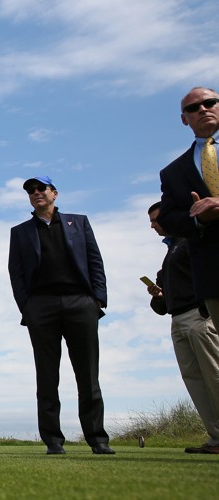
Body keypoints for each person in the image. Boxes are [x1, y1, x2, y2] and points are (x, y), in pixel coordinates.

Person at [7, 176, 114, 455]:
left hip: (81, 304)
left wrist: (97, 300)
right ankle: (53, 441)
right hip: (41, 307)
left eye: (41, 188)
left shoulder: (79, 222)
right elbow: (16, 274)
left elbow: (95, 262)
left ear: (54, 193)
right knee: (46, 376)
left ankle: (97, 439)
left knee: (88, 374)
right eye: (30, 191)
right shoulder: (20, 232)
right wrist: (27, 307)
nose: (36, 193)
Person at [146, 201, 219, 454]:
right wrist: (159, 296)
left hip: (198, 316)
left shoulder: (192, 240)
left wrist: (204, 308)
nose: (152, 225)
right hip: (177, 319)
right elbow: (163, 305)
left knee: (214, 375)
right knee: (195, 379)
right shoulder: (171, 252)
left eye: (155, 219)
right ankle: (216, 438)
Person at [158, 87, 219, 324]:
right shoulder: (173, 172)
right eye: (193, 108)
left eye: (209, 103)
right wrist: (199, 219)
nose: (202, 109)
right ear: (184, 119)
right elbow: (167, 218)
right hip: (213, 275)